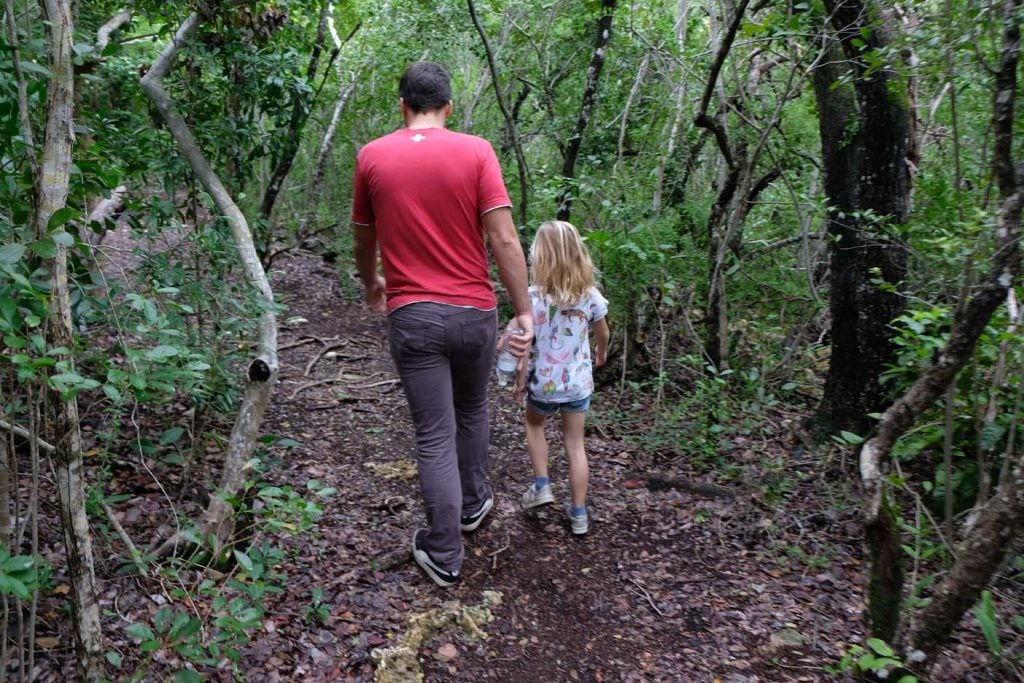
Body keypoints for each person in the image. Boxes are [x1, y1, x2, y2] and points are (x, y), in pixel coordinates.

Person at [350, 61, 533, 588]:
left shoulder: (372, 156)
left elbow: (363, 236)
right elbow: (502, 238)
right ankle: (474, 504)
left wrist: (372, 282)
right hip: (475, 311)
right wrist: (524, 311)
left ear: (402, 105)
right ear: (448, 107)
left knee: (434, 433)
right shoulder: (476, 150)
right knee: (473, 409)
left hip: (413, 314)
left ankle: (445, 552)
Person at [512, 220, 609, 536]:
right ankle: (579, 514)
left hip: (545, 383)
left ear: (541, 258)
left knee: (534, 423)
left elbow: (525, 344)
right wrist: (601, 352)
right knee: (575, 444)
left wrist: (519, 378)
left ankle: (542, 485)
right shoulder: (590, 296)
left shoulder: (533, 298)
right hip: (577, 384)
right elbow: (603, 332)